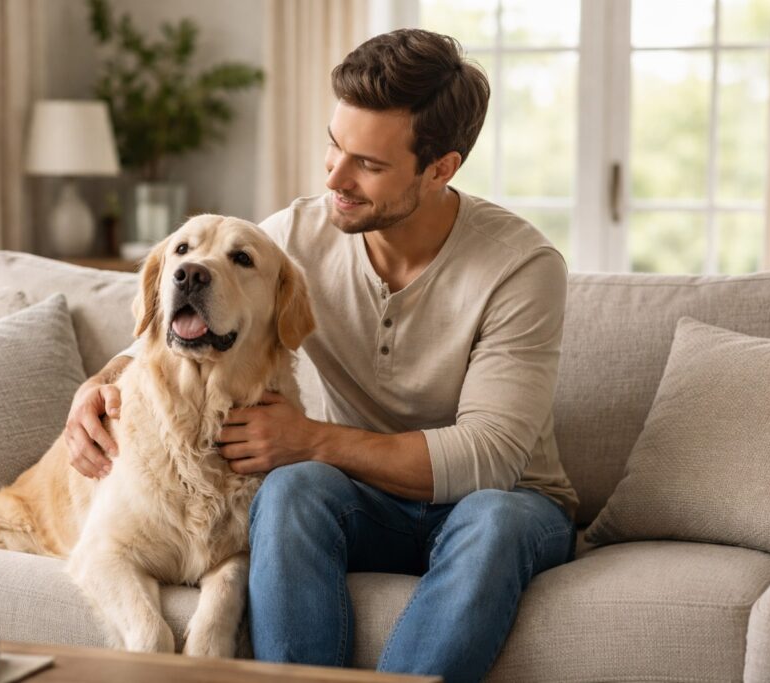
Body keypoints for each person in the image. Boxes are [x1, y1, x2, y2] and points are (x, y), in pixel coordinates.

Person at [63, 28, 578, 683]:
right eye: (335, 147)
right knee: (292, 489)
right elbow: (194, 313)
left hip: (502, 501)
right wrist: (99, 383)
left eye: (368, 163)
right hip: (363, 498)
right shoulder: (297, 237)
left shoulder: (521, 267)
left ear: (440, 169)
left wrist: (312, 439)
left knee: (495, 517)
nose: (335, 177)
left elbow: (489, 456)